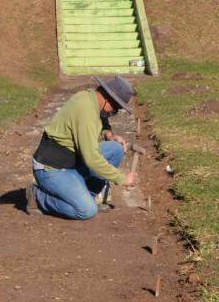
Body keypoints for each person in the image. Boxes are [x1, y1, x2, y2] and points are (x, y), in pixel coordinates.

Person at [27, 77, 137, 219]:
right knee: (86, 211)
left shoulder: (91, 99)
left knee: (116, 149)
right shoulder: (85, 110)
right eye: (115, 109)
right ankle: (38, 197)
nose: (113, 113)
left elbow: (102, 118)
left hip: (72, 160)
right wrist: (122, 178)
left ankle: (85, 195)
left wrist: (108, 134)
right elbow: (92, 158)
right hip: (52, 169)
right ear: (107, 99)